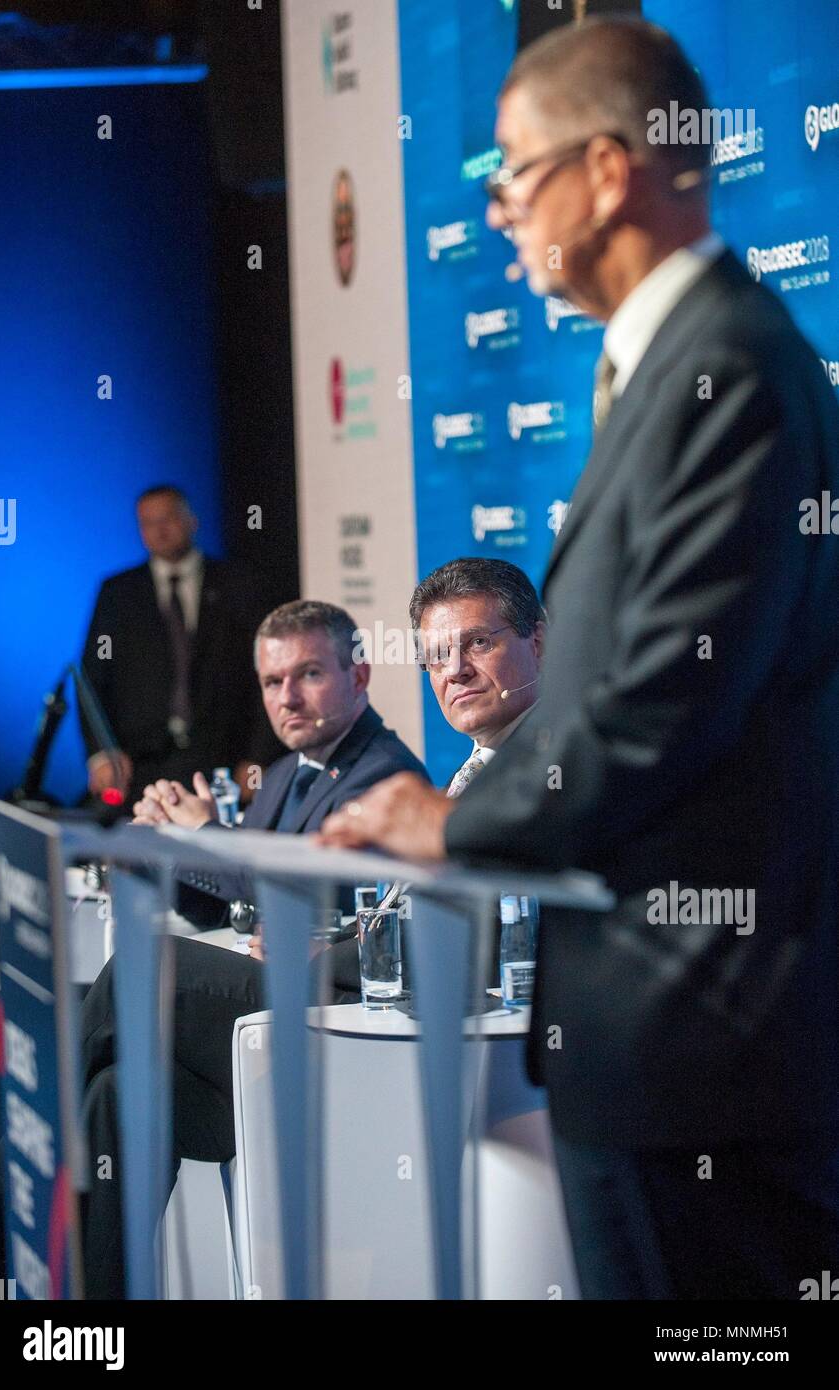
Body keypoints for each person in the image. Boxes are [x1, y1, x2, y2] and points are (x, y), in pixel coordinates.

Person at [319, 17, 839, 1299]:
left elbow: (664, 703)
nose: (495, 210)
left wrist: (453, 819)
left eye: (512, 171)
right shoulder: (661, 365)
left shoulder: (731, 367)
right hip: (642, 1044)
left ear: (608, 172)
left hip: (703, 1047)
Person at [0, 600, 427, 1296]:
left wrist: (204, 841)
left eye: (308, 674)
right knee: (11, 1029)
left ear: (359, 674)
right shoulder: (283, 774)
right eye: (273, 682)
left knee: (136, 977)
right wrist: (168, 852)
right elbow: (235, 904)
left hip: (306, 1038)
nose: (287, 697)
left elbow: (316, 904)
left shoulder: (383, 779)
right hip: (240, 1010)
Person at [81, 483, 280, 809]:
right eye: (148, 522)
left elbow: (268, 674)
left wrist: (259, 758)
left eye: (169, 518)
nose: (160, 529)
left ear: (192, 520)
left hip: (223, 762)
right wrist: (102, 753)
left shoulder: (240, 585)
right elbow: (92, 679)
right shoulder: (118, 593)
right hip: (139, 766)